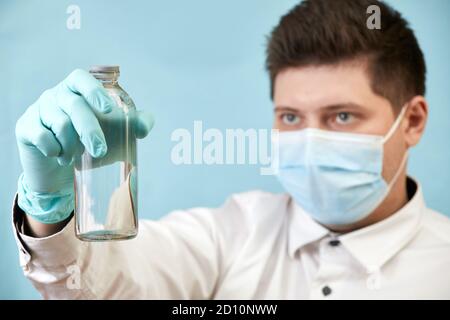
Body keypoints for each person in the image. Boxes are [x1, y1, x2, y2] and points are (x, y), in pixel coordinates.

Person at [12, 0, 450, 299]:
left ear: (411, 121)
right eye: (291, 117)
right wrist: (50, 212)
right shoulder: (232, 234)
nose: (309, 139)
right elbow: (102, 283)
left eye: (341, 116)